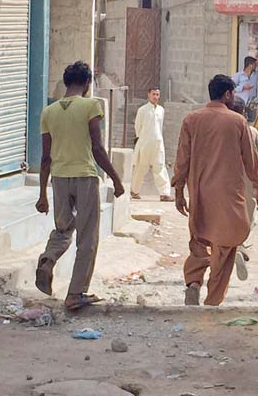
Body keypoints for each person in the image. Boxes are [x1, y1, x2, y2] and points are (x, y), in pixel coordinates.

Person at [34, 61, 125, 311]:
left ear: (66, 82)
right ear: (87, 84)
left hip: (59, 178)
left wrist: (42, 193)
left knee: (63, 229)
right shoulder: (90, 106)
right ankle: (76, 293)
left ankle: (48, 259)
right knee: (87, 237)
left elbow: (45, 158)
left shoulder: (48, 112)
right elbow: (97, 148)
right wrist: (116, 178)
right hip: (84, 176)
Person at [172, 74, 258, 306]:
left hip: (200, 194)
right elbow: (251, 161)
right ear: (227, 94)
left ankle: (193, 282)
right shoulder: (237, 122)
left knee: (199, 240)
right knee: (225, 247)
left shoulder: (191, 120)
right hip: (228, 197)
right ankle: (213, 300)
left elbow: (182, 158)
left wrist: (178, 190)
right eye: (232, 93)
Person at [227, 96, 258, 281]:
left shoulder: (222, 129)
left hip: (225, 182)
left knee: (226, 218)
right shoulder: (252, 132)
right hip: (248, 182)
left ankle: (228, 250)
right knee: (248, 217)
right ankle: (239, 246)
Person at [131, 87, 173, 202]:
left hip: (158, 143)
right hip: (145, 143)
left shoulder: (161, 110)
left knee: (160, 166)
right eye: (153, 94)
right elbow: (137, 127)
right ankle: (134, 191)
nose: (155, 97)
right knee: (141, 167)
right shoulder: (142, 110)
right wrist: (142, 140)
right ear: (148, 95)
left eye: (157, 95)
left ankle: (165, 193)